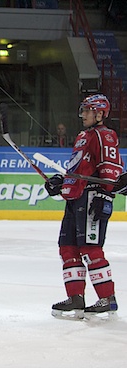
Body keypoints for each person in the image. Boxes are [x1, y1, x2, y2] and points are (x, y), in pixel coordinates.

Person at [46, 94, 123, 320]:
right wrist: (60, 182)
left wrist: (104, 196)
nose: (84, 114)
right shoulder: (82, 136)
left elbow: (110, 168)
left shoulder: (105, 134)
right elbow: (78, 169)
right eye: (84, 110)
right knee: (67, 248)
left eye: (89, 111)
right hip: (75, 198)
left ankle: (107, 298)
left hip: (92, 197)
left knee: (91, 249)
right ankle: (75, 298)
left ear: (100, 113)